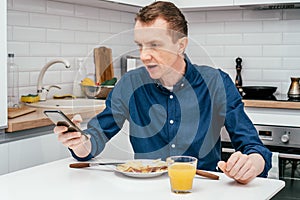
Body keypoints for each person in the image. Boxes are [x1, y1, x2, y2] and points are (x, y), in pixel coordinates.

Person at [54, 1, 271, 184]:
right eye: (140, 46)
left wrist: (251, 164)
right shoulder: (129, 84)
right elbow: (95, 141)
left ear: (181, 45)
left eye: (155, 45)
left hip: (203, 189)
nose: (144, 56)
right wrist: (79, 142)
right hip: (144, 190)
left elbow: (254, 147)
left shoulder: (216, 82)